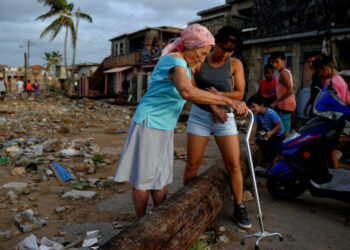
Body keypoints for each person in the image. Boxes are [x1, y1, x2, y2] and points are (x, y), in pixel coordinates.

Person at [114, 24, 248, 217]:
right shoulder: (175, 61)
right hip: (150, 123)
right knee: (144, 179)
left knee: (160, 178)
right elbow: (188, 92)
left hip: (165, 126)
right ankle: (141, 222)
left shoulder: (185, 64)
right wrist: (228, 101)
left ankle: (158, 218)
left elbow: (199, 91)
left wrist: (226, 101)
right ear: (190, 46)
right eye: (202, 54)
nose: (202, 59)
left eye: (205, 54)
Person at [183, 26, 251, 229]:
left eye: (231, 50)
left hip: (225, 117)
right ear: (215, 43)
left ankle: (239, 206)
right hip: (200, 116)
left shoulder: (235, 64)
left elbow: (239, 94)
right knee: (192, 164)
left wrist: (216, 95)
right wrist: (213, 103)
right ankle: (187, 204)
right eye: (223, 48)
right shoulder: (200, 58)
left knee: (233, 164)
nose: (225, 54)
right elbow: (193, 89)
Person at [313, 53, 350, 169]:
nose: (319, 75)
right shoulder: (341, 80)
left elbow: (332, 105)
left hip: (332, 122)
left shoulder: (332, 83)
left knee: (330, 152)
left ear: (325, 69)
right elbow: (347, 101)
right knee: (330, 150)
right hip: (337, 121)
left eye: (319, 72)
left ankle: (333, 177)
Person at [248, 95, 285, 168]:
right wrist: (252, 140)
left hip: (278, 134)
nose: (252, 109)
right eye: (251, 107)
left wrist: (271, 133)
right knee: (259, 141)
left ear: (261, 105)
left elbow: (278, 126)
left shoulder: (271, 113)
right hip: (268, 132)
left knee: (274, 150)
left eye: (253, 106)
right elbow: (254, 127)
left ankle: (273, 165)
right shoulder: (256, 114)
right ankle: (266, 160)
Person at [270, 52, 296, 137]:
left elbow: (290, 91)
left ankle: (286, 148)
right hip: (286, 104)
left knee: (285, 131)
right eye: (273, 62)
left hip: (286, 105)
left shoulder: (283, 73)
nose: (274, 65)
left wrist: (276, 102)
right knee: (286, 127)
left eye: (277, 62)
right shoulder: (283, 72)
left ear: (284, 61)